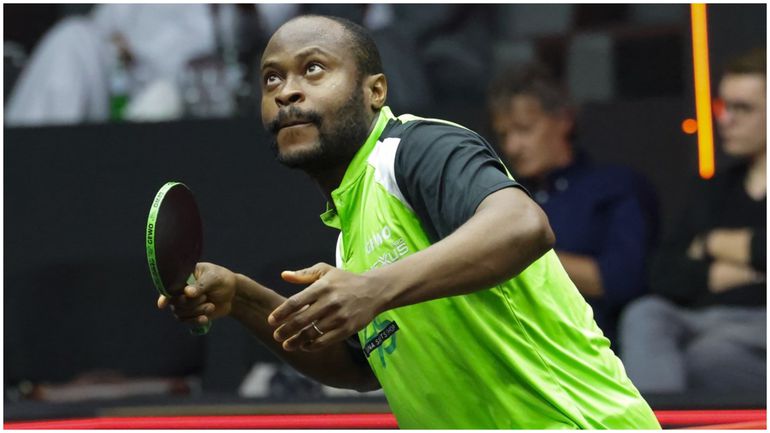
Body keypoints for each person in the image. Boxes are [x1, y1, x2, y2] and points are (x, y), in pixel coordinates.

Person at [159, 15, 660, 429]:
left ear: (374, 90)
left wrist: (372, 289)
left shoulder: (416, 149)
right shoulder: (350, 236)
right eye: (272, 78)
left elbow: (524, 226)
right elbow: (359, 367)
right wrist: (242, 297)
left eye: (313, 69)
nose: (288, 91)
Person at [619, 48, 766, 394]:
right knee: (645, 313)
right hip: (703, 318)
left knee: (710, 355)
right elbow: (663, 272)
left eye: (742, 108)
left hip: (758, 327)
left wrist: (710, 244)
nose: (725, 119)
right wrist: (732, 267)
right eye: (722, 107)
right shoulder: (713, 187)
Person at [487, 63, 658, 344]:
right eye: (504, 135)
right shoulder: (503, 196)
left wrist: (509, 255)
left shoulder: (614, 186)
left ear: (563, 119)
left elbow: (623, 280)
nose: (512, 146)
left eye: (524, 129)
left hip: (592, 344)